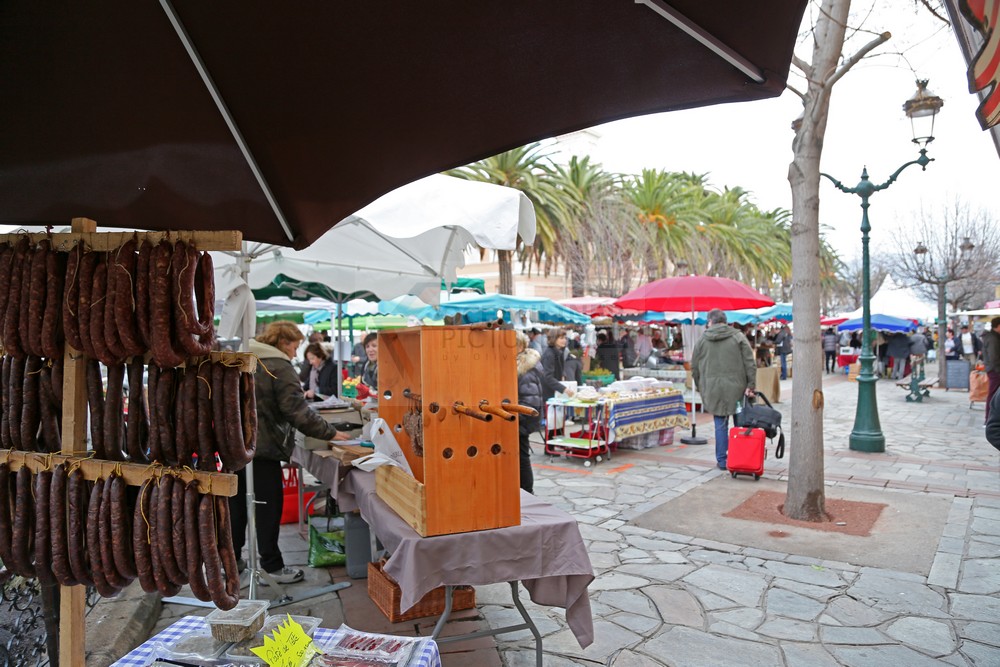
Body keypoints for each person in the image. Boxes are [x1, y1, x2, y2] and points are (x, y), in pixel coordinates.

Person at [231, 321, 351, 584]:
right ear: (283, 342)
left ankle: (231, 564)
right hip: (263, 449)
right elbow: (296, 410)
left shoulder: (241, 358)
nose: (296, 353)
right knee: (267, 509)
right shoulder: (278, 365)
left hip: (235, 447)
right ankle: (272, 567)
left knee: (235, 507)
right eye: (295, 347)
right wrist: (330, 433)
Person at [691, 309, 756, 470]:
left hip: (713, 389)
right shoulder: (738, 337)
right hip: (738, 389)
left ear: (710, 322)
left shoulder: (701, 341)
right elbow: (750, 363)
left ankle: (722, 460)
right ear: (725, 321)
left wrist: (701, 387)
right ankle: (740, 458)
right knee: (740, 425)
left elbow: (695, 368)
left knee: (720, 425)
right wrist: (751, 385)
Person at [514, 332, 566, 493]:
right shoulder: (519, 365)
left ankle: (527, 492)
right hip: (520, 417)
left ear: (520, 346)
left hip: (521, 419)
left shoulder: (524, 368)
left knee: (521, 457)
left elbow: (530, 400)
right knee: (519, 456)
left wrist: (515, 417)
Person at [540, 328, 570, 404]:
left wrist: (563, 375)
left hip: (554, 391)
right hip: (547, 394)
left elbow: (561, 369)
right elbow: (548, 377)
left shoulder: (559, 351)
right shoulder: (549, 354)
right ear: (554, 339)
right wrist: (563, 389)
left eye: (565, 338)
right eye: (561, 338)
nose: (564, 340)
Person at [981, 317, 1000, 426]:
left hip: (994, 369)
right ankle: (989, 419)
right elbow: (994, 357)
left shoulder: (994, 337)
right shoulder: (993, 338)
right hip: (995, 370)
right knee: (993, 395)